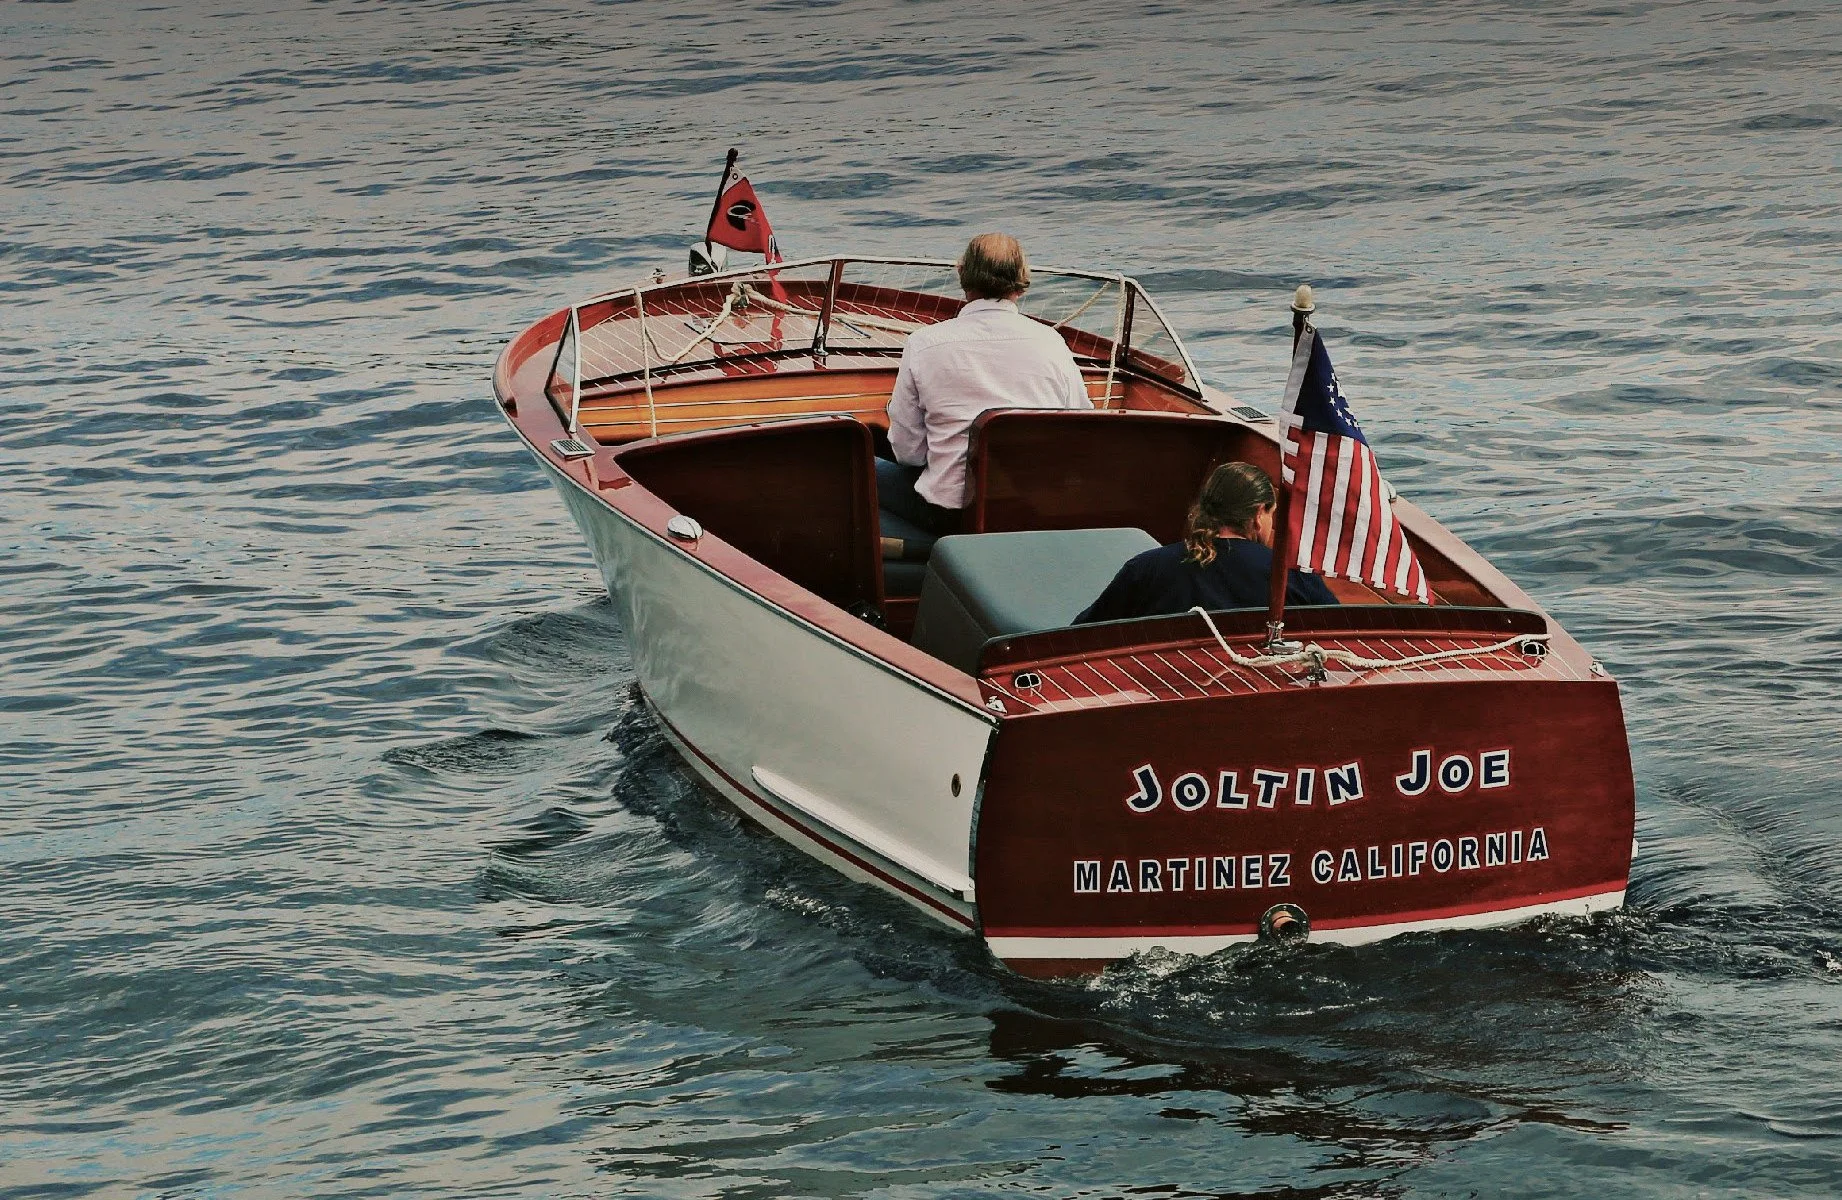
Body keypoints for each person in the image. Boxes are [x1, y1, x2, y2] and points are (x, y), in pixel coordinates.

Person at [878, 233, 1092, 535]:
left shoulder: (924, 344)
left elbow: (908, 453)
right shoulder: (1052, 342)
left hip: (951, 516)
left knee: (856, 465)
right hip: (1031, 509)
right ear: (1021, 280)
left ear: (962, 274)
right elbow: (1079, 429)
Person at [1075, 462, 1338, 623]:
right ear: (1259, 514)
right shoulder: (1290, 573)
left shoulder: (1146, 567)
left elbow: (1086, 631)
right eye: (1272, 514)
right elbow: (1344, 630)